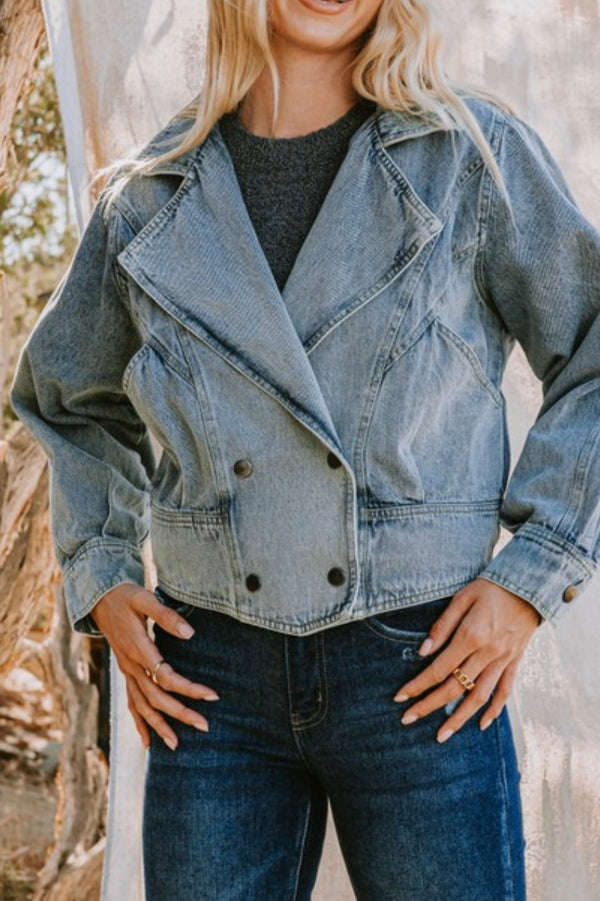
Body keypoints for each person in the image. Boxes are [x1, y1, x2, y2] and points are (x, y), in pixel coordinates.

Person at [9, 0, 600, 898]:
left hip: (427, 664)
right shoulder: (148, 195)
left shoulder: (468, 158)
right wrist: (101, 570)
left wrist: (533, 574)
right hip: (207, 678)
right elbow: (69, 399)